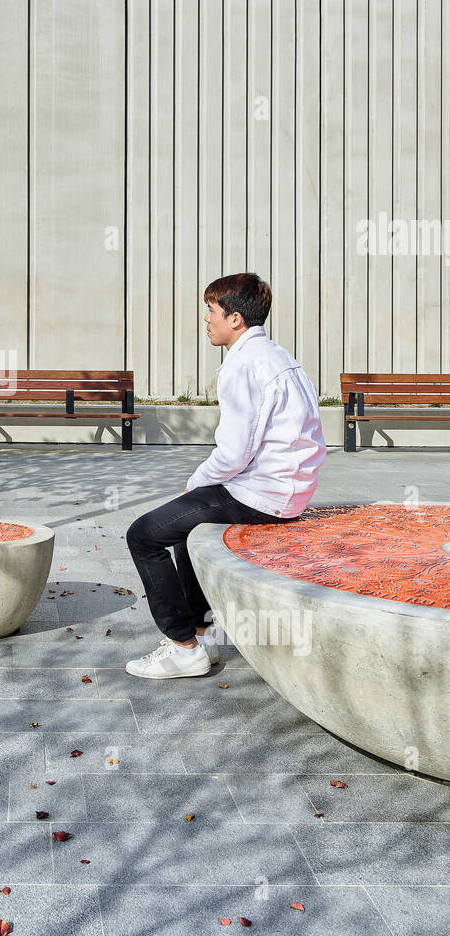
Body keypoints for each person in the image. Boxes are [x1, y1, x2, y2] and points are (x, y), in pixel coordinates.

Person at [125, 272, 325, 680]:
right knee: (184, 525)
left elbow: (235, 452)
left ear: (235, 319)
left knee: (143, 535)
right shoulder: (279, 356)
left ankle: (182, 647)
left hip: (260, 495)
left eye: (211, 311)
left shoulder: (244, 364)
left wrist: (196, 481)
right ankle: (203, 634)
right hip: (285, 490)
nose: (206, 319)